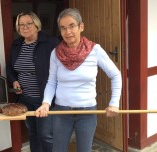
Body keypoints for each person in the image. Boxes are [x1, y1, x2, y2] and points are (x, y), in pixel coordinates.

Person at [35, 8, 122, 152]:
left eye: (71, 26)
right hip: (61, 112)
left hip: (87, 112)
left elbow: (116, 75)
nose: (67, 32)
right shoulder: (55, 53)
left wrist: (114, 103)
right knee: (58, 149)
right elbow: (51, 82)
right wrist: (46, 103)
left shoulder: (95, 50)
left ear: (81, 27)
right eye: (63, 28)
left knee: (84, 150)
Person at [6, 11, 60, 152]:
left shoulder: (51, 43)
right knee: (33, 133)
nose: (25, 27)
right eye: (21, 25)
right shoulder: (17, 44)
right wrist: (14, 81)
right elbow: (10, 68)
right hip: (25, 99)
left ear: (37, 25)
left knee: (46, 135)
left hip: (44, 100)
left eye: (29, 23)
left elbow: (61, 69)